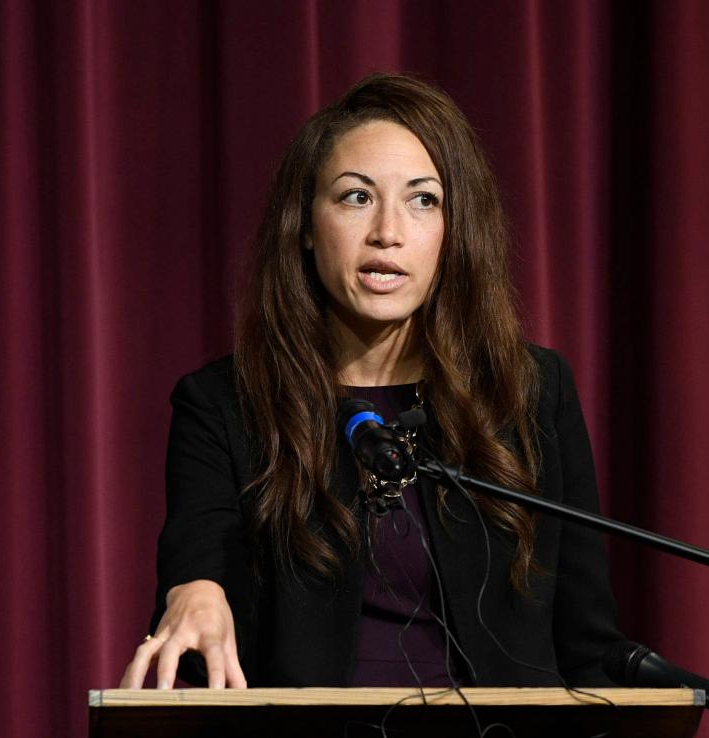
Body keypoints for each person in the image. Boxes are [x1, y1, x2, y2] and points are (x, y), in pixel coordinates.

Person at [120, 73, 622, 691]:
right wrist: (195, 593)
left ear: (453, 233)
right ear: (304, 226)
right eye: (356, 197)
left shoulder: (530, 392)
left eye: (423, 200)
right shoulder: (225, 405)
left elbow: (588, 643)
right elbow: (199, 559)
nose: (388, 230)